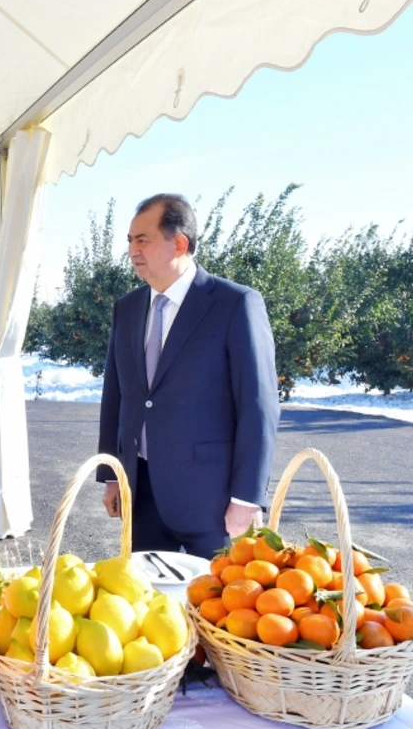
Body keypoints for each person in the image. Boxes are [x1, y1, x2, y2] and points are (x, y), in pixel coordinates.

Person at [97, 194, 279, 559]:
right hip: (141, 494)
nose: (133, 250)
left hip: (212, 500)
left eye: (142, 240)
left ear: (179, 243)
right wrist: (112, 473)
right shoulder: (127, 308)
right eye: (130, 241)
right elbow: (117, 397)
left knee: (214, 608)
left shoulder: (235, 304)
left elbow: (258, 407)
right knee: (146, 605)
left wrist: (246, 498)